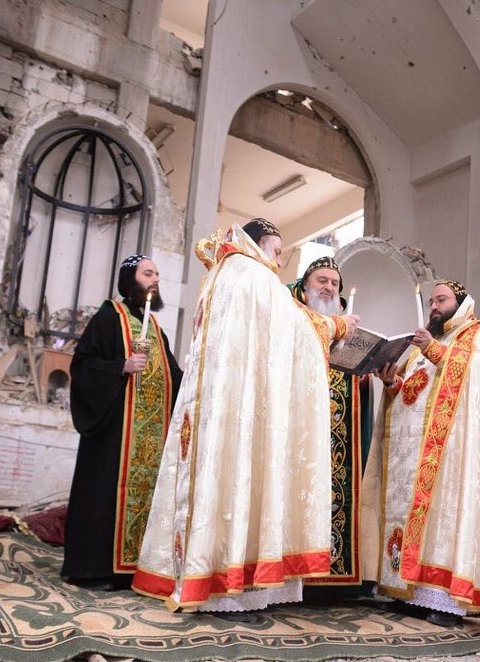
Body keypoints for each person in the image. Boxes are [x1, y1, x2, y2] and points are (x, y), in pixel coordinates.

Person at [132, 220, 359, 613]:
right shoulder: (254, 275)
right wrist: (336, 324)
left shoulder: (224, 273)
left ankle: (196, 572)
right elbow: (293, 330)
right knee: (238, 479)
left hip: (223, 401)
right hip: (241, 406)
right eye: (276, 250)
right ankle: (224, 583)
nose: (277, 261)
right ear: (261, 246)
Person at [361, 281, 480, 628]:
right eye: (431, 300)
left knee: (446, 524)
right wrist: (392, 384)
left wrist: (433, 349)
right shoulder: (421, 347)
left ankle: (447, 603)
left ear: (461, 302)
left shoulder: (475, 336)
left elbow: (471, 380)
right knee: (415, 524)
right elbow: (412, 393)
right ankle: (410, 596)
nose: (434, 305)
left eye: (441, 299)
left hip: (452, 457)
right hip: (413, 457)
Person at [62, 255, 182, 591]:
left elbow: (173, 376)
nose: (155, 278)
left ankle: (131, 570)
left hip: (148, 438)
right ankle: (93, 569)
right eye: (148, 273)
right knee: (103, 494)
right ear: (131, 279)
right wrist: (121, 366)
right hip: (114, 432)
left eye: (158, 273)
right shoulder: (107, 318)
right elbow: (83, 366)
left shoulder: (155, 328)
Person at [289, 257, 372, 591]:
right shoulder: (293, 314)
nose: (329, 287)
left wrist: (366, 382)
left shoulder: (348, 328)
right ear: (305, 285)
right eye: (322, 280)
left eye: (335, 283)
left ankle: (336, 580)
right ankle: (296, 576)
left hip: (340, 432)